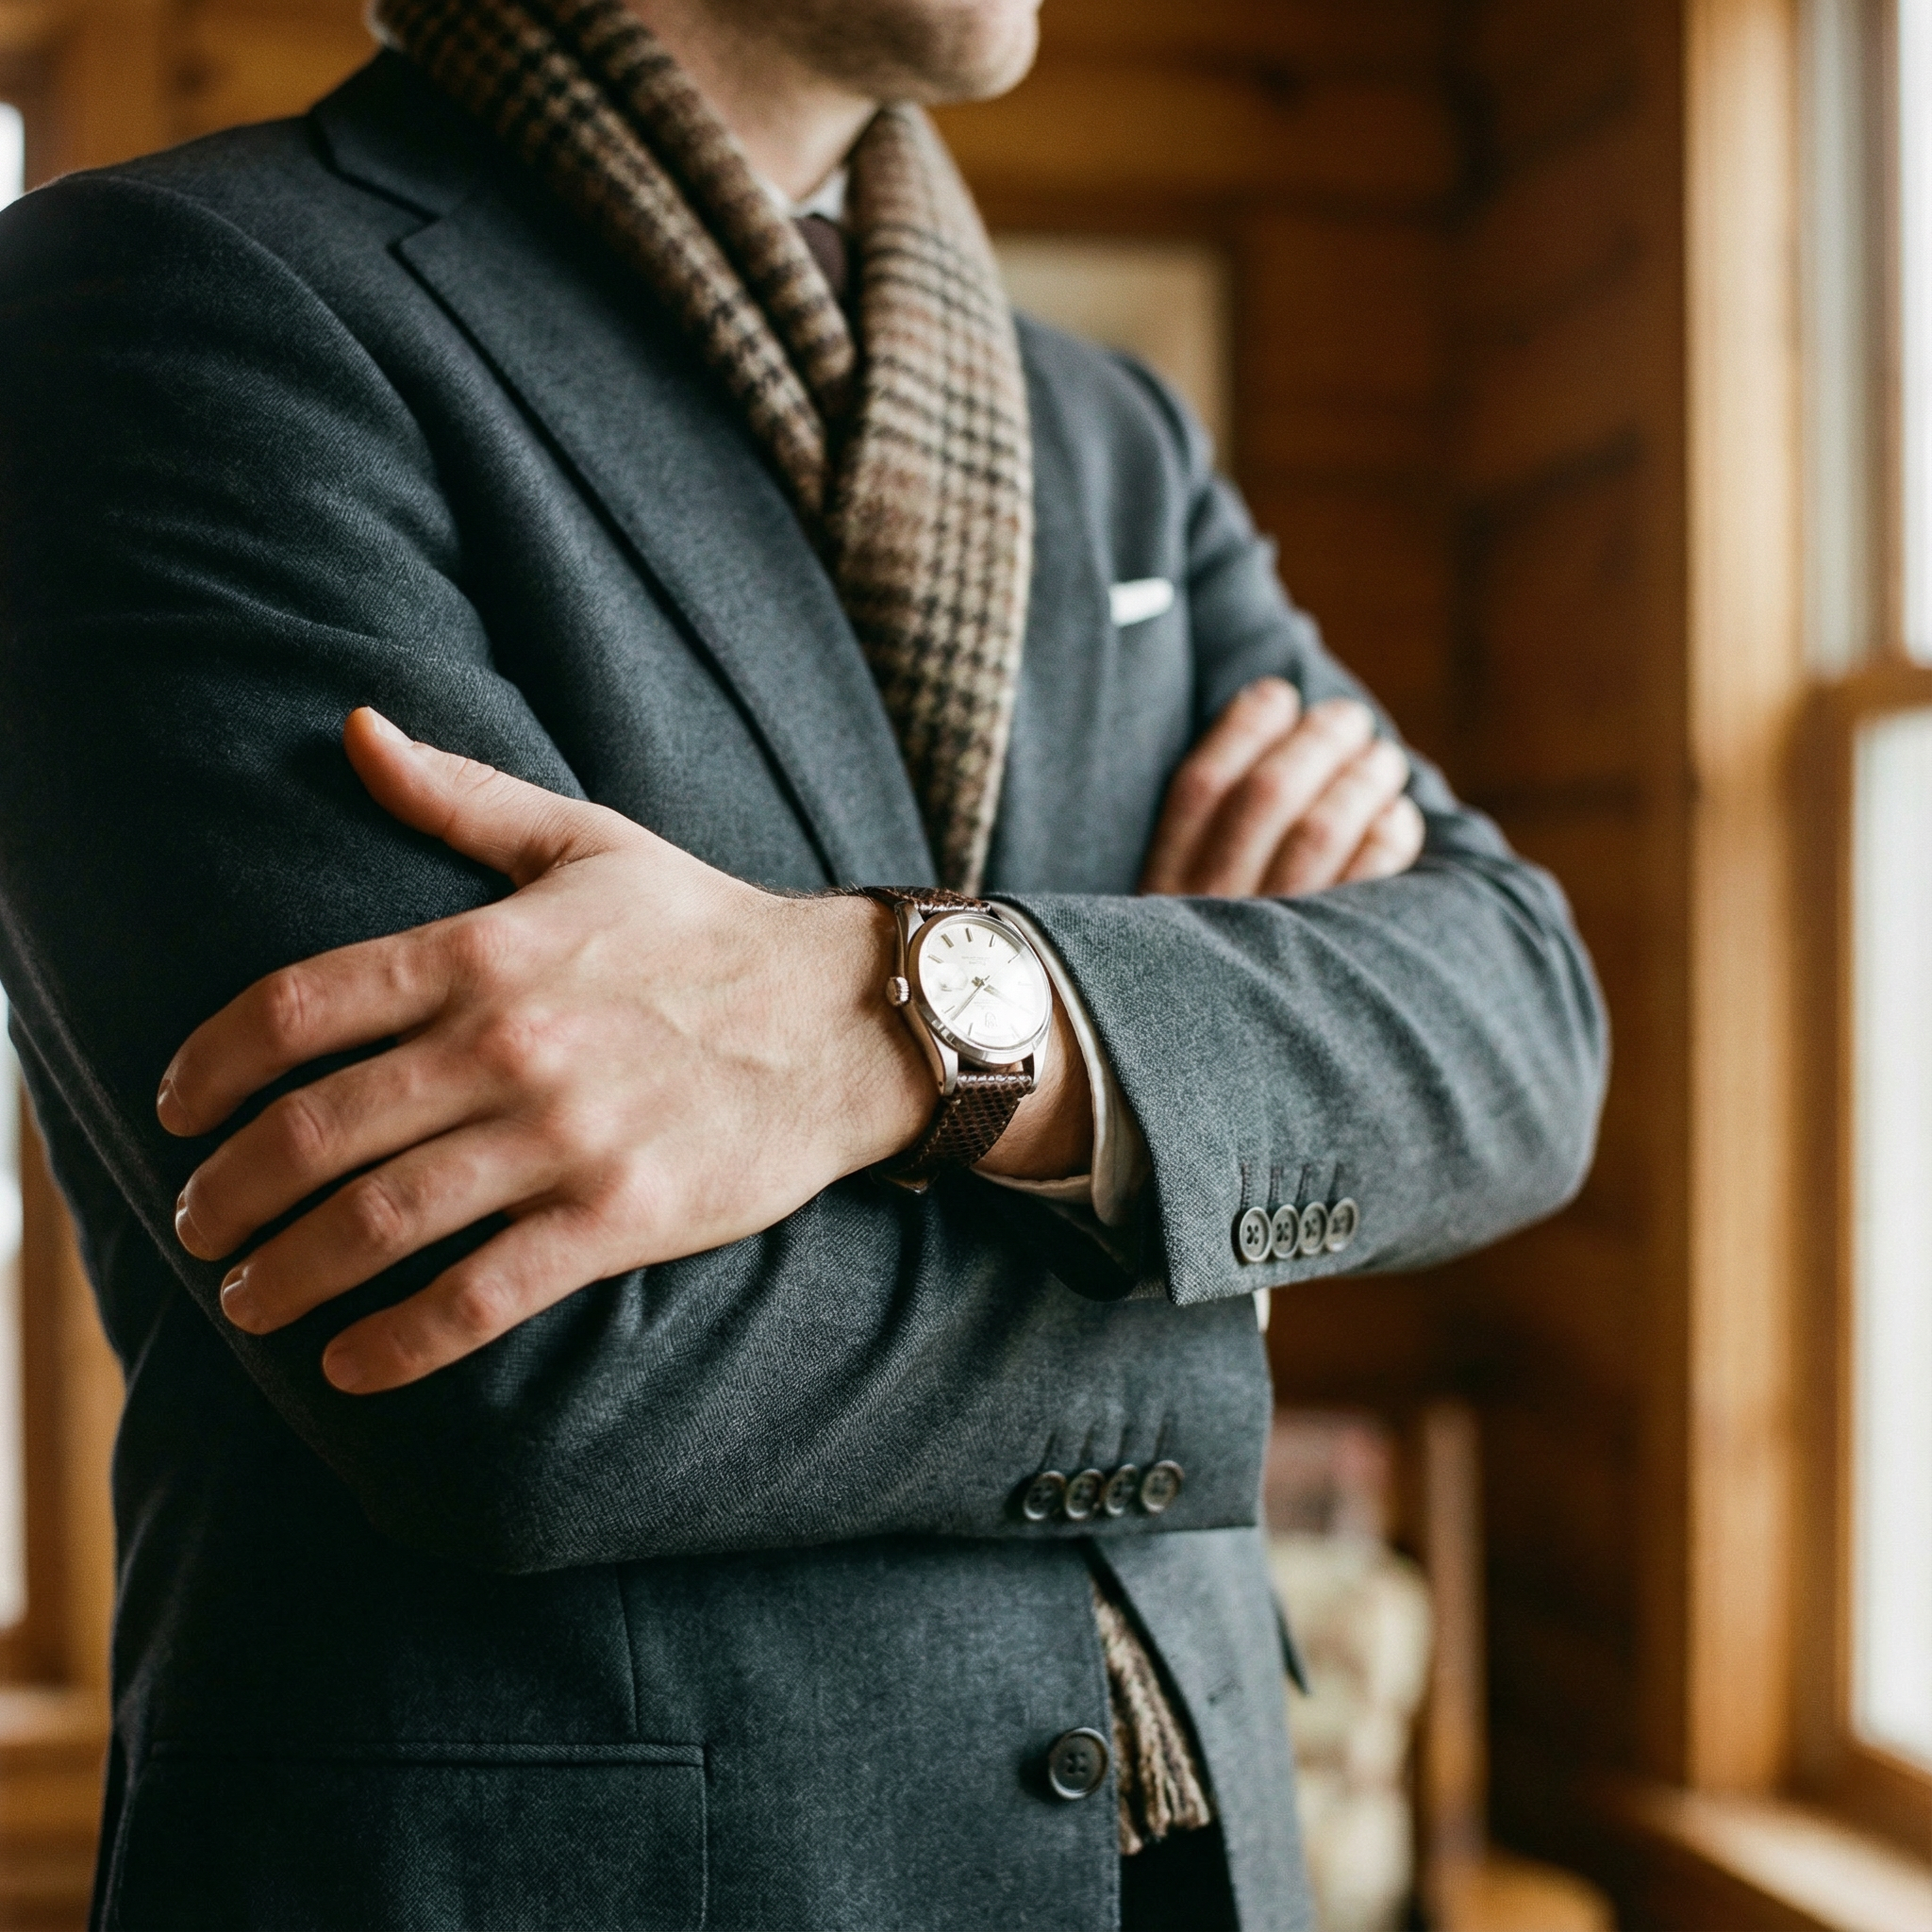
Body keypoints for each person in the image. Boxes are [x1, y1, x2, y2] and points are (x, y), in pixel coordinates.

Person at [0, 0, 1607, 1925]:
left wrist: (897, 1017)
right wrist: (1184, 1191)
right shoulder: (158, 309)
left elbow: (1518, 1022)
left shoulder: (1109, 436)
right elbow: (510, 1369)